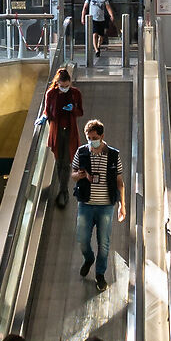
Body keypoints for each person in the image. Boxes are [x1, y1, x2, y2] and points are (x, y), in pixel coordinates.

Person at [70, 117, 124, 287]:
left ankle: (100, 274)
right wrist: (79, 176)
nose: (91, 142)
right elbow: (72, 174)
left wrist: (123, 205)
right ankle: (89, 258)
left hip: (106, 206)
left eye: (94, 138)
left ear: (101, 136)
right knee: (82, 239)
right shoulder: (82, 152)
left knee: (104, 243)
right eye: (89, 138)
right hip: (86, 204)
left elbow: (119, 181)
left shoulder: (114, 155)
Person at [42, 67, 83, 209]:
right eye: (62, 86)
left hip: (70, 130)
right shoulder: (51, 94)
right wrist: (43, 118)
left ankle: (63, 191)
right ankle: (63, 190)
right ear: (57, 83)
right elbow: (47, 111)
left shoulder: (75, 93)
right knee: (59, 160)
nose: (65, 88)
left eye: (67, 86)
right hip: (57, 130)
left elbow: (80, 112)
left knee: (65, 162)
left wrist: (73, 109)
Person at [83, 0, 116, 65]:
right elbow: (85, 8)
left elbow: (108, 7)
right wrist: (82, 17)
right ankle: (96, 49)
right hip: (92, 19)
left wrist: (111, 15)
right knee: (94, 34)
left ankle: (98, 46)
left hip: (101, 19)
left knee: (101, 36)